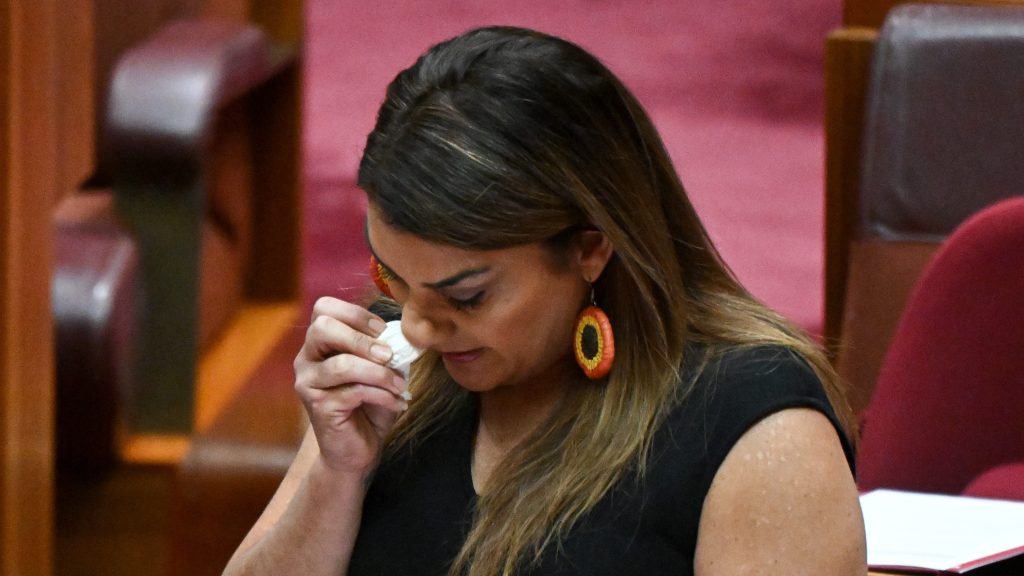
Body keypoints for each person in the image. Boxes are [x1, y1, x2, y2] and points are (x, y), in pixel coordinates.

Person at [224, 26, 866, 576]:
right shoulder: (391, 378)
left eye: (466, 296)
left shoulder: (755, 426)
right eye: (391, 278)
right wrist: (334, 480)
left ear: (592, 247)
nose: (416, 328)